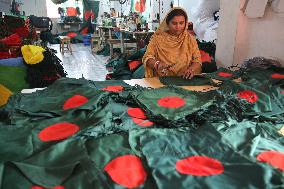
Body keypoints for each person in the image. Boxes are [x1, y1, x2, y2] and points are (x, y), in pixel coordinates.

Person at [142, 8, 202, 79]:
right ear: (167, 23)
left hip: (184, 79)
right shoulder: (157, 39)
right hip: (162, 79)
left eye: (181, 23)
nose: (178, 27)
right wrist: (157, 64)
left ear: (185, 23)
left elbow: (197, 61)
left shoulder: (190, 39)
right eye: (174, 23)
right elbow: (147, 57)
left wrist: (191, 70)